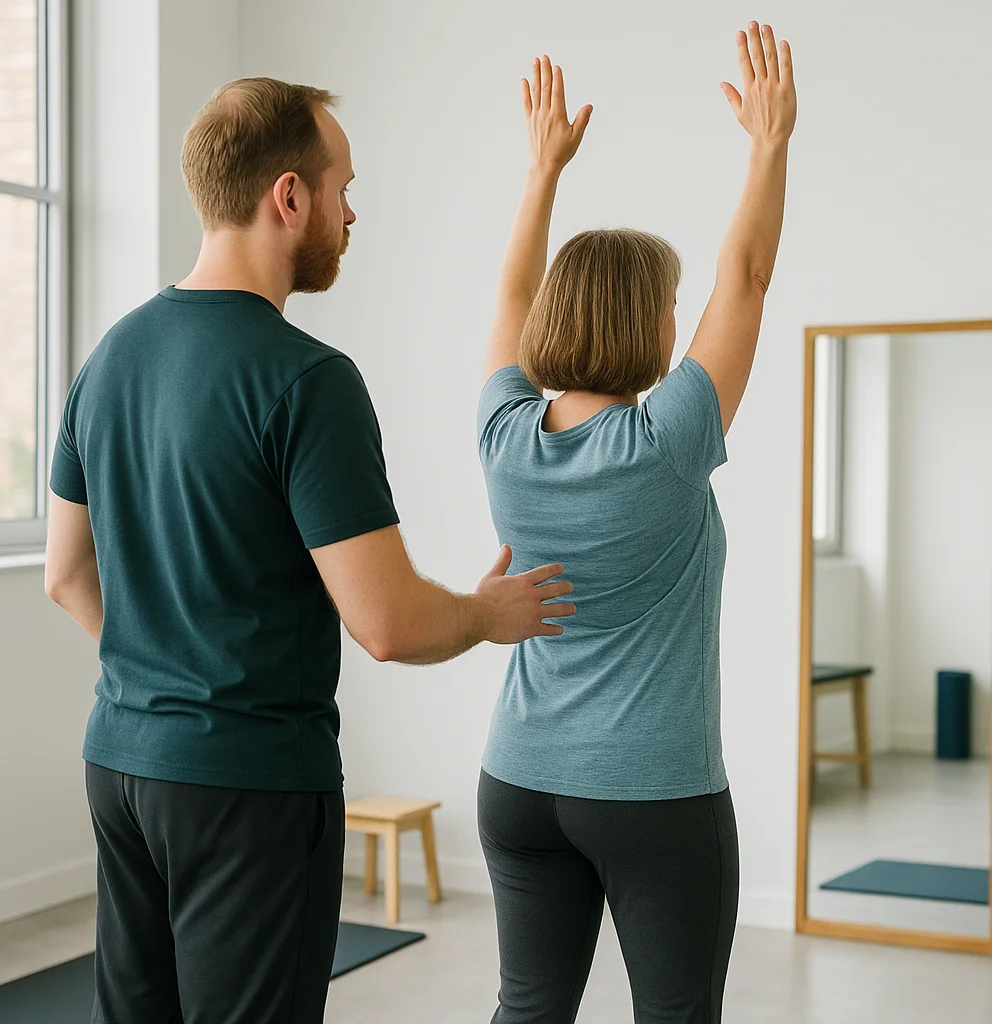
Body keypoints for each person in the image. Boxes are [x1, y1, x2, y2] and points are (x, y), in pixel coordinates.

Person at [43, 78, 574, 1024]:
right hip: (249, 786)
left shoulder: (107, 359)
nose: (351, 213)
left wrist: (165, 674)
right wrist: (487, 614)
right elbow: (388, 623)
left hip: (121, 765)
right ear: (288, 196)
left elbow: (65, 575)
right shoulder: (308, 381)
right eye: (343, 189)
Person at [476, 24, 796, 1024]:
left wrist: (541, 172)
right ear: (644, 324)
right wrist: (769, 145)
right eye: (667, 307)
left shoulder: (504, 435)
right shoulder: (666, 441)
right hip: (653, 794)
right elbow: (745, 280)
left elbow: (510, 295)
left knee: (527, 1009)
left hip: (519, 781)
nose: (676, 323)